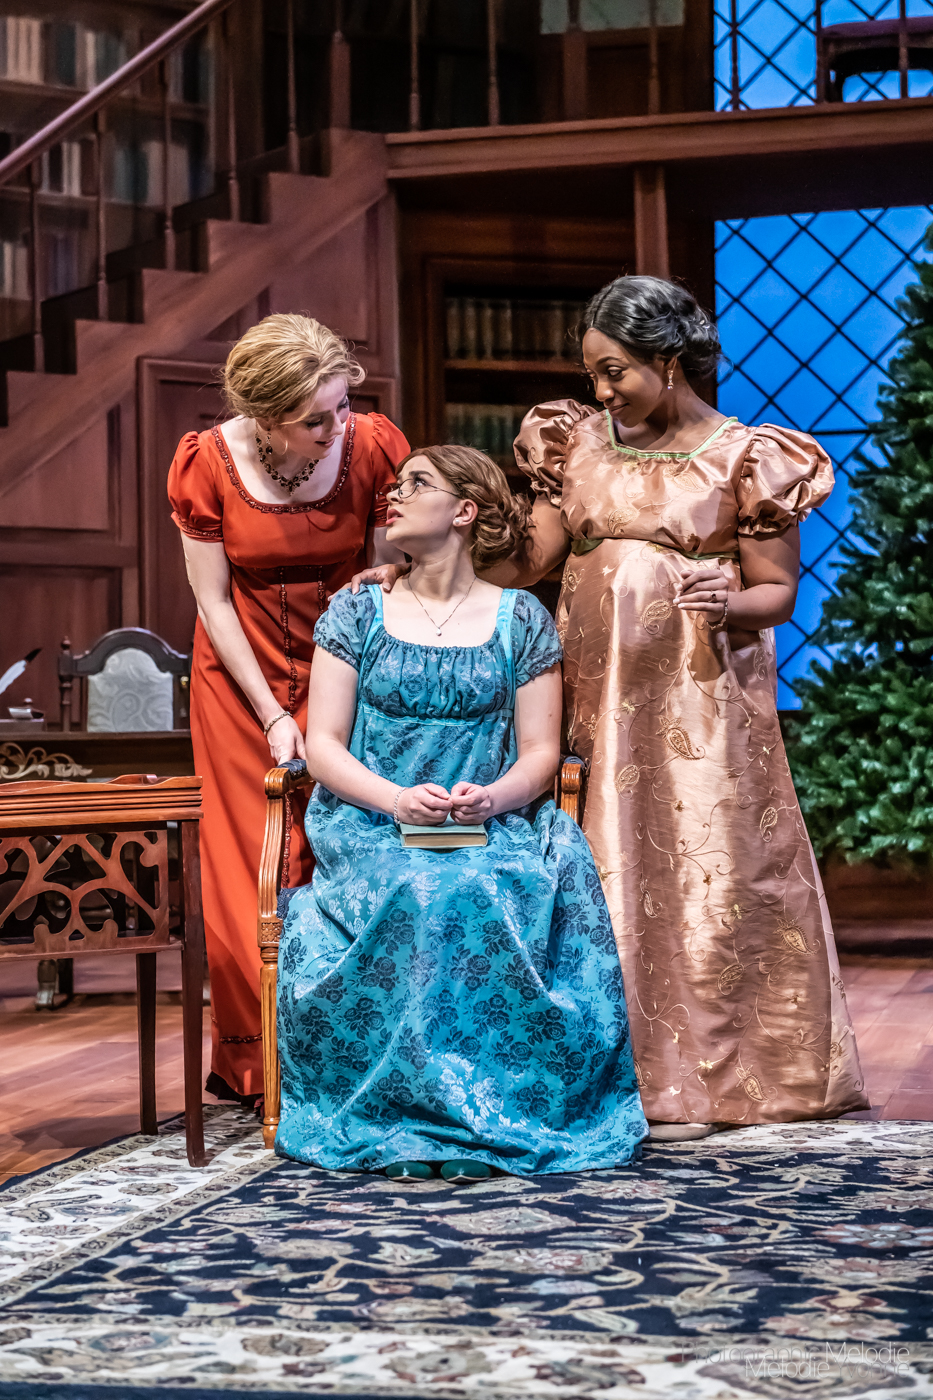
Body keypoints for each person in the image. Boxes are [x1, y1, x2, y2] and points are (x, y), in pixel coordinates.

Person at [358, 277, 868, 1139]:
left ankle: (717, 1078)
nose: (600, 390)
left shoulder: (747, 457)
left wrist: (728, 596)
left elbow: (775, 593)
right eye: (592, 372)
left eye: (616, 371)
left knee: (708, 876)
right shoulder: (577, 442)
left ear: (668, 362)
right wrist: (416, 577)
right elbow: (530, 562)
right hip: (594, 694)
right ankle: (608, 1071)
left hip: (700, 701)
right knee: (598, 863)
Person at [275, 445, 648, 1180]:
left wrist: (492, 796)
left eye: (416, 484)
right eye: (395, 484)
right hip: (370, 823)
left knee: (475, 884)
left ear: (465, 511)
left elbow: (539, 752)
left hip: (492, 822)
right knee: (420, 887)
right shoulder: (358, 610)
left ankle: (492, 1112)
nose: (393, 494)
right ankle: (404, 1112)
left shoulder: (520, 619)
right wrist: (395, 799)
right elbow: (323, 745)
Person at [167, 313, 408, 1103]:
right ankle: (262, 1059)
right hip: (240, 676)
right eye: (315, 419)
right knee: (253, 861)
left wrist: (391, 583)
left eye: (341, 406)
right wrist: (272, 713)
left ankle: (356, 1048)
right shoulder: (206, 462)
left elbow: (392, 572)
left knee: (351, 844)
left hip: (347, 664)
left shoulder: (373, 446)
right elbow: (211, 601)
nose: (336, 427)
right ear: (264, 417)